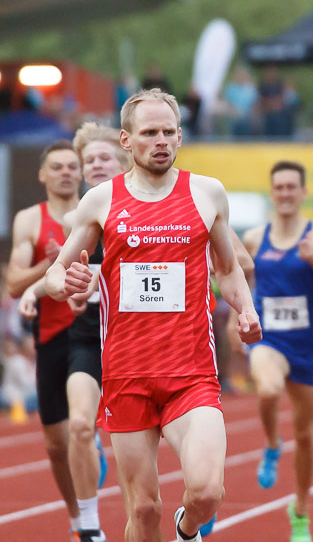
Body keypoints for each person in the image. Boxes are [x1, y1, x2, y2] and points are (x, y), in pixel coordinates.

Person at [43, 88, 262, 542]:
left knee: (206, 491)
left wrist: (246, 309)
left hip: (191, 372)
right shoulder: (101, 201)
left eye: (168, 132)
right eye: (149, 133)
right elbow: (56, 273)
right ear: (126, 140)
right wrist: (64, 284)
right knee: (143, 510)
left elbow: (227, 267)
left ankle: (187, 531)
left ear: (180, 136)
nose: (160, 141)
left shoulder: (207, 193)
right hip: (126, 375)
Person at [20, 124, 130, 542]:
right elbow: (63, 272)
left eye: (103, 158)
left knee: (148, 443)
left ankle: (198, 498)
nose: (95, 167)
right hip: (89, 337)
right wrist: (44, 290)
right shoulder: (77, 217)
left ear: (123, 161)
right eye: (89, 162)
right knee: (80, 426)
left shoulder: (155, 212)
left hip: (141, 340)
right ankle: (88, 527)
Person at [240, 159, 313, 541]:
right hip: (268, 340)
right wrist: (237, 310)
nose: (285, 193)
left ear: (303, 192)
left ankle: (300, 511)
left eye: (292, 187)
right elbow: (229, 274)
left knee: (305, 435)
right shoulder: (255, 237)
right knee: (269, 390)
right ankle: (272, 442)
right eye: (279, 187)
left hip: (307, 347)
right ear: (272, 193)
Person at [5, 140, 85, 537]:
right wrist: (48, 262)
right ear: (42, 174)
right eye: (57, 167)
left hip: (94, 332)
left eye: (72, 166)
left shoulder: (95, 214)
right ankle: (76, 518)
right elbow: (14, 284)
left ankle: (91, 443)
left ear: (82, 171)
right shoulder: (29, 221)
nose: (66, 173)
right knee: (56, 445)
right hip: (51, 337)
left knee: (82, 428)